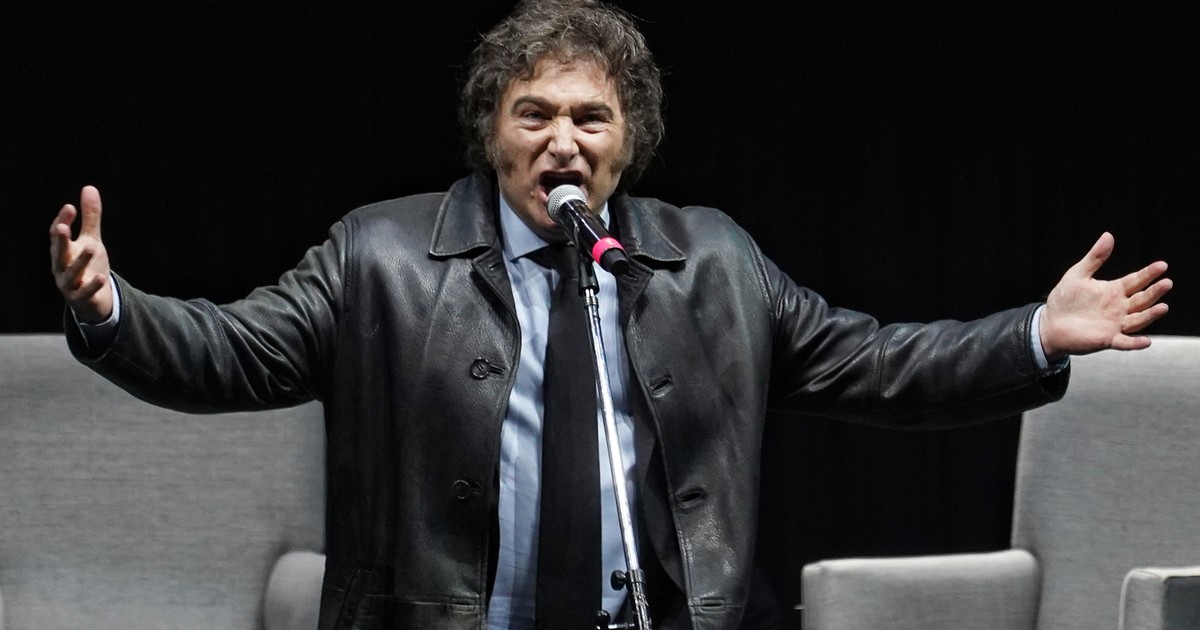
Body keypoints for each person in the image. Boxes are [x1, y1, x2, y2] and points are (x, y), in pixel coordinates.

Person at [48, 1, 1171, 629]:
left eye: (590, 119)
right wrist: (113, 310)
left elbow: (877, 364)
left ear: (629, 141)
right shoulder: (378, 256)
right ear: (492, 133)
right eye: (532, 114)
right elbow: (231, 353)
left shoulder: (712, 262)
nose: (562, 142)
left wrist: (1033, 333)